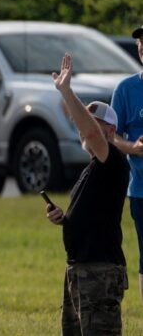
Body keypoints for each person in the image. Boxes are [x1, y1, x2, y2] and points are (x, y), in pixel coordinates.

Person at [46, 53, 128, 335]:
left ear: (111, 130)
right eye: (85, 122)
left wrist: (66, 91)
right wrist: (63, 218)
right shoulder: (91, 169)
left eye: (94, 124)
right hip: (79, 268)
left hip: (99, 271)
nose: (85, 129)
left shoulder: (113, 160)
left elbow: (93, 135)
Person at [111, 25, 143, 305]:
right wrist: (133, 147)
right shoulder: (126, 89)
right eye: (141, 42)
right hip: (141, 190)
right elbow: (111, 136)